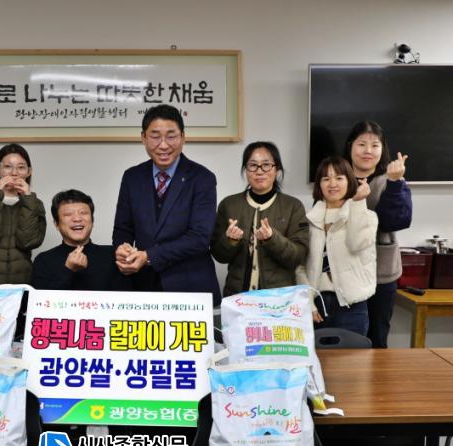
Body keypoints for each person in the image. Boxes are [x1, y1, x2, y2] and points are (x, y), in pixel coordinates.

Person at [112, 104, 221, 306]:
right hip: (143, 286)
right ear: (143, 138)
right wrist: (122, 249)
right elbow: (122, 228)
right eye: (155, 136)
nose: (163, 145)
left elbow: (199, 237)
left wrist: (149, 256)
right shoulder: (132, 177)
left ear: (183, 137)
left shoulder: (202, 178)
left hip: (190, 287)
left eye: (171, 136)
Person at [343, 121, 412, 347]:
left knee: (377, 338)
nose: (368, 151)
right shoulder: (337, 178)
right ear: (350, 146)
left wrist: (394, 183)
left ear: (383, 149)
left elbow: (396, 221)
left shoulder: (392, 180)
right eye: (361, 144)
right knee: (344, 339)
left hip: (380, 274)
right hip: (344, 272)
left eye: (375, 145)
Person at [210, 141, 309, 296]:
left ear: (277, 170)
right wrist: (230, 241)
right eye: (253, 165)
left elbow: (298, 257)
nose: (259, 171)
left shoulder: (293, 206)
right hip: (237, 296)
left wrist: (272, 238)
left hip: (278, 298)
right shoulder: (229, 205)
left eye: (266, 165)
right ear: (246, 170)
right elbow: (218, 255)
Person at [296, 157, 378, 336]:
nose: (332, 184)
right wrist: (308, 303)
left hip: (352, 306)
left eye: (339, 178)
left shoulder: (367, 216)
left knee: (353, 355)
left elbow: (356, 244)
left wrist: (358, 202)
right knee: (316, 355)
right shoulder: (308, 220)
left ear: (350, 181)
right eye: (326, 179)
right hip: (317, 304)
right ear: (319, 185)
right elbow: (299, 266)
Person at [0, 143, 46, 285]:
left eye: (21, 167)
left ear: (29, 172)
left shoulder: (35, 203)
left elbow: (27, 242)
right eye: (7, 166)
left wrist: (28, 199)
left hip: (22, 283)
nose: (14, 173)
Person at [33, 189, 130, 291]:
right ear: (56, 224)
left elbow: (129, 296)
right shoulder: (43, 261)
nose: (77, 219)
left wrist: (133, 258)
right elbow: (43, 299)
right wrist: (68, 270)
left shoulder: (114, 256)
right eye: (68, 214)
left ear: (92, 221)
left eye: (83, 213)